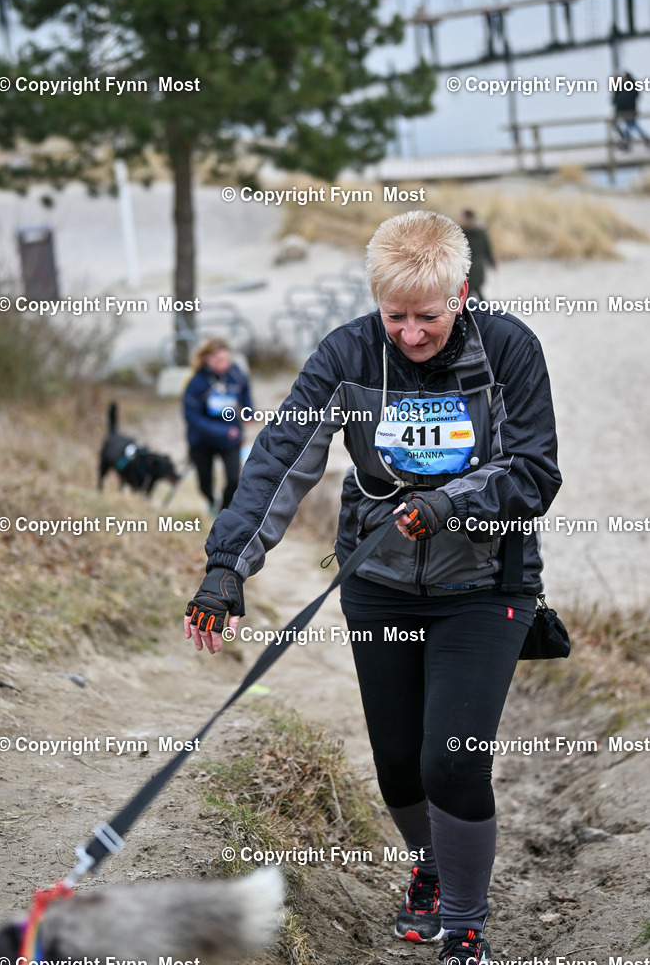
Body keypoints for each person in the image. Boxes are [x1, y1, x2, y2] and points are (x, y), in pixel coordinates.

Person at [183, 211, 561, 964]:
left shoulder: (509, 349)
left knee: (451, 759)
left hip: (487, 583)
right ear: (375, 301)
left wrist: (448, 503)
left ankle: (465, 924)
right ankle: (429, 868)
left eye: (428, 316)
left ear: (461, 293)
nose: (411, 333)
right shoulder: (346, 354)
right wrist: (227, 567)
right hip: (378, 582)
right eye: (395, 316)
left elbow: (534, 472)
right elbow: (280, 458)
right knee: (398, 764)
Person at [182, 337, 253, 514]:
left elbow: (245, 391)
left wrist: (248, 411)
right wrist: (221, 431)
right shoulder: (196, 382)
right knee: (204, 484)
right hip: (202, 440)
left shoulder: (235, 374)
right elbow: (192, 417)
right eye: (219, 360)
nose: (224, 364)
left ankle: (222, 511)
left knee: (234, 480)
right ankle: (211, 500)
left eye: (226, 360)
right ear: (208, 359)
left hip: (230, 438)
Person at [458, 208, 496, 303]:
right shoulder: (481, 232)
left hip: (466, 268)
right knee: (478, 292)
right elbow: (487, 250)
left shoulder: (461, 232)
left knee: (467, 294)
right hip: (479, 267)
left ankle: (469, 311)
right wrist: (493, 264)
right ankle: (486, 308)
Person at [612, 72, 650, 150]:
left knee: (630, 126)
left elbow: (626, 99)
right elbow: (616, 99)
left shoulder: (630, 86)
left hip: (628, 111)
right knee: (628, 127)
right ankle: (630, 143)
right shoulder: (622, 87)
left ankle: (629, 144)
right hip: (624, 111)